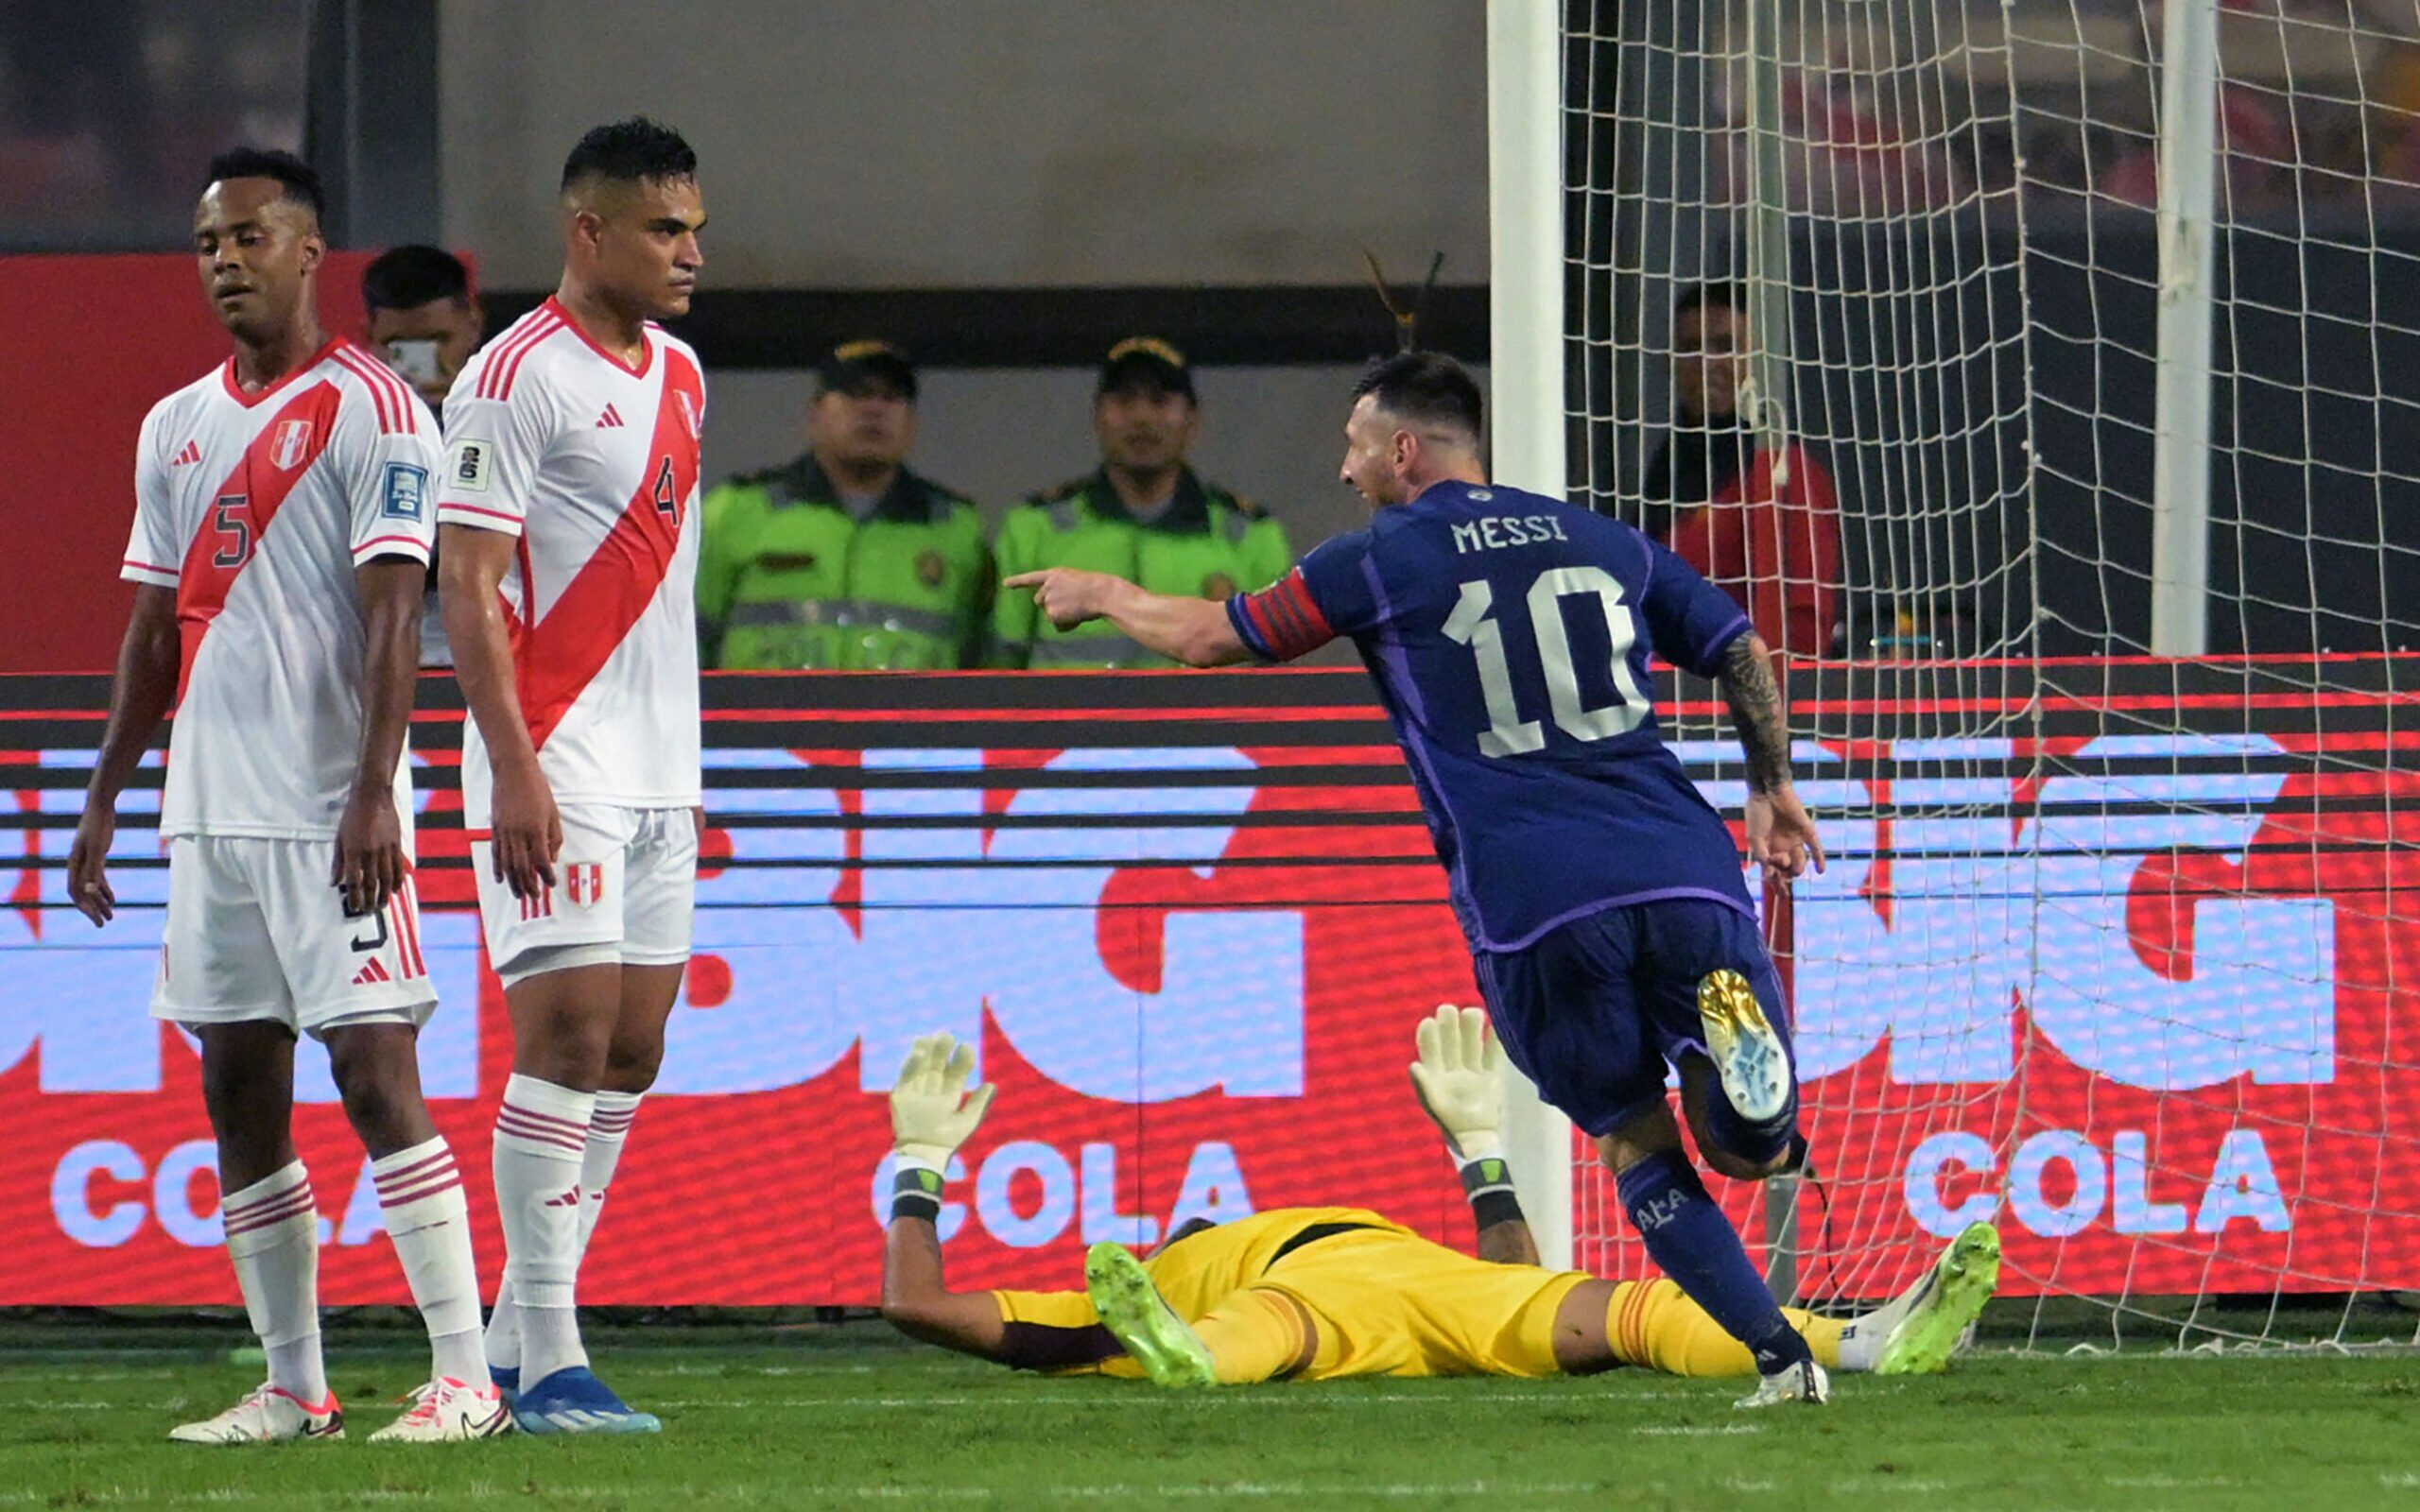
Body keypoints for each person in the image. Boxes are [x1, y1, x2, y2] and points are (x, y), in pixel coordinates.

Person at [1007, 352, 1837, 1404]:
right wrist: (1770, 783)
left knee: (1633, 1138)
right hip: (1681, 861)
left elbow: (1214, 638)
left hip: (1536, 892)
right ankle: (1751, 1101)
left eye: (1356, 446)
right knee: (1750, 1152)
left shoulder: (1376, 559)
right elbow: (1737, 641)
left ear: (1402, 449)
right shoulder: (1599, 536)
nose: (1347, 471)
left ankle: (1778, 1354)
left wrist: (1105, 591)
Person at [67, 149, 505, 1443]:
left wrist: (374, 793)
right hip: (209, 811)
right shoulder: (175, 426)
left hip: (331, 809)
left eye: (251, 237)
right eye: (209, 243)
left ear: (311, 252)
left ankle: (466, 1377)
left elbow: (393, 616)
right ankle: (294, 1386)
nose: (226, 261)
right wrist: (104, 798)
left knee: (375, 1075)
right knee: (237, 1087)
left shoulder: (379, 411)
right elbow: (155, 631)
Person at [876, 1013, 1999, 1396]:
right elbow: (919, 1307)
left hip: (1418, 1292)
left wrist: (1476, 1151)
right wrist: (916, 1170)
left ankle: (1864, 1341)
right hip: (1299, 1301)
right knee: (1256, 1332)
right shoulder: (1112, 1292)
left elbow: (1507, 1275)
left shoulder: (1162, 1269)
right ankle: (1189, 1357)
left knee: (1619, 1308)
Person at [434, 116, 707, 1435]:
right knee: (568, 1040)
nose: (691, 252)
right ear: (587, 231)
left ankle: (499, 1346)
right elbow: (467, 583)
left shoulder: (687, 374)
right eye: (665, 229)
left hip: (665, 771)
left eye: (697, 228)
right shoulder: (507, 376)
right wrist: (514, 768)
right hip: (554, 759)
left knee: (636, 1051)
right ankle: (549, 1361)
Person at [992, 337, 1289, 667]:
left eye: (1160, 400)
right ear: (1097, 415)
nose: (1142, 417)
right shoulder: (1034, 528)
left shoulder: (1251, 536)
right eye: (1124, 399)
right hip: (1069, 721)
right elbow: (1000, 666)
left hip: (1201, 722)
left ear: (1192, 419)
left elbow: (1276, 681)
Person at [696, 340, 991, 668]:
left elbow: (981, 657)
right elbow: (685, 642)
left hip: (906, 721)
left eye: (891, 397)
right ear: (815, 414)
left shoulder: (955, 527)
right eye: (856, 393)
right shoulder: (738, 510)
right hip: (766, 720)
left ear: (912, 422)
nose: (874, 409)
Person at [1640, 283, 1843, 659]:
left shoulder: (1785, 470)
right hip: (1671, 694)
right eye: (1689, 347)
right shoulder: (1661, 471)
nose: (1705, 361)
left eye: (1724, 345)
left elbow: (1806, 623)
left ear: (1756, 358)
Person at [361, 246, 486, 669]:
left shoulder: (521, 410)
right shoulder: (344, 427)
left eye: (438, 342)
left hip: (499, 653)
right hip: (375, 662)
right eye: (400, 347)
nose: (424, 366)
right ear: (371, 340)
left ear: (473, 324)